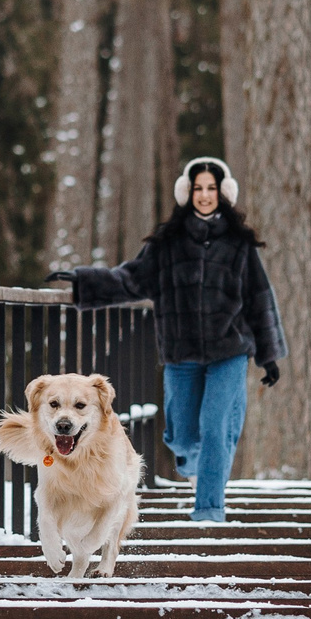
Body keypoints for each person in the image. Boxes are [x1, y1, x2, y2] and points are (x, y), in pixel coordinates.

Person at [48, 157, 284, 525]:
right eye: (197, 188)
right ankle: (193, 463)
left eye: (211, 188)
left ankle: (209, 511)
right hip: (181, 351)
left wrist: (268, 355)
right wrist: (83, 281)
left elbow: (259, 298)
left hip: (230, 349)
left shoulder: (239, 244)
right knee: (181, 434)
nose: (204, 195)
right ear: (187, 193)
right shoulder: (167, 243)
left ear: (223, 193)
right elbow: (131, 280)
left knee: (215, 426)